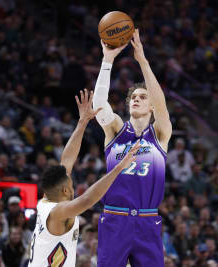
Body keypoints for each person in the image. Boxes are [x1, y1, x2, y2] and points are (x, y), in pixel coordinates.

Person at [28, 90, 140, 267]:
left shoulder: (45, 202)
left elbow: (67, 160)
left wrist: (82, 122)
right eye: (71, 183)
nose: (73, 186)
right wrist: (119, 168)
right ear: (65, 190)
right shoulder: (58, 212)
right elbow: (87, 199)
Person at [92, 29, 172, 266]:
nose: (136, 99)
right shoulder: (116, 129)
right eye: (133, 97)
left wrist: (143, 61)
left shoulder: (159, 134)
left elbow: (161, 103)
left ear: (152, 107)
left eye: (142, 97)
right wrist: (108, 60)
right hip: (115, 218)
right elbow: (98, 104)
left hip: (147, 220)